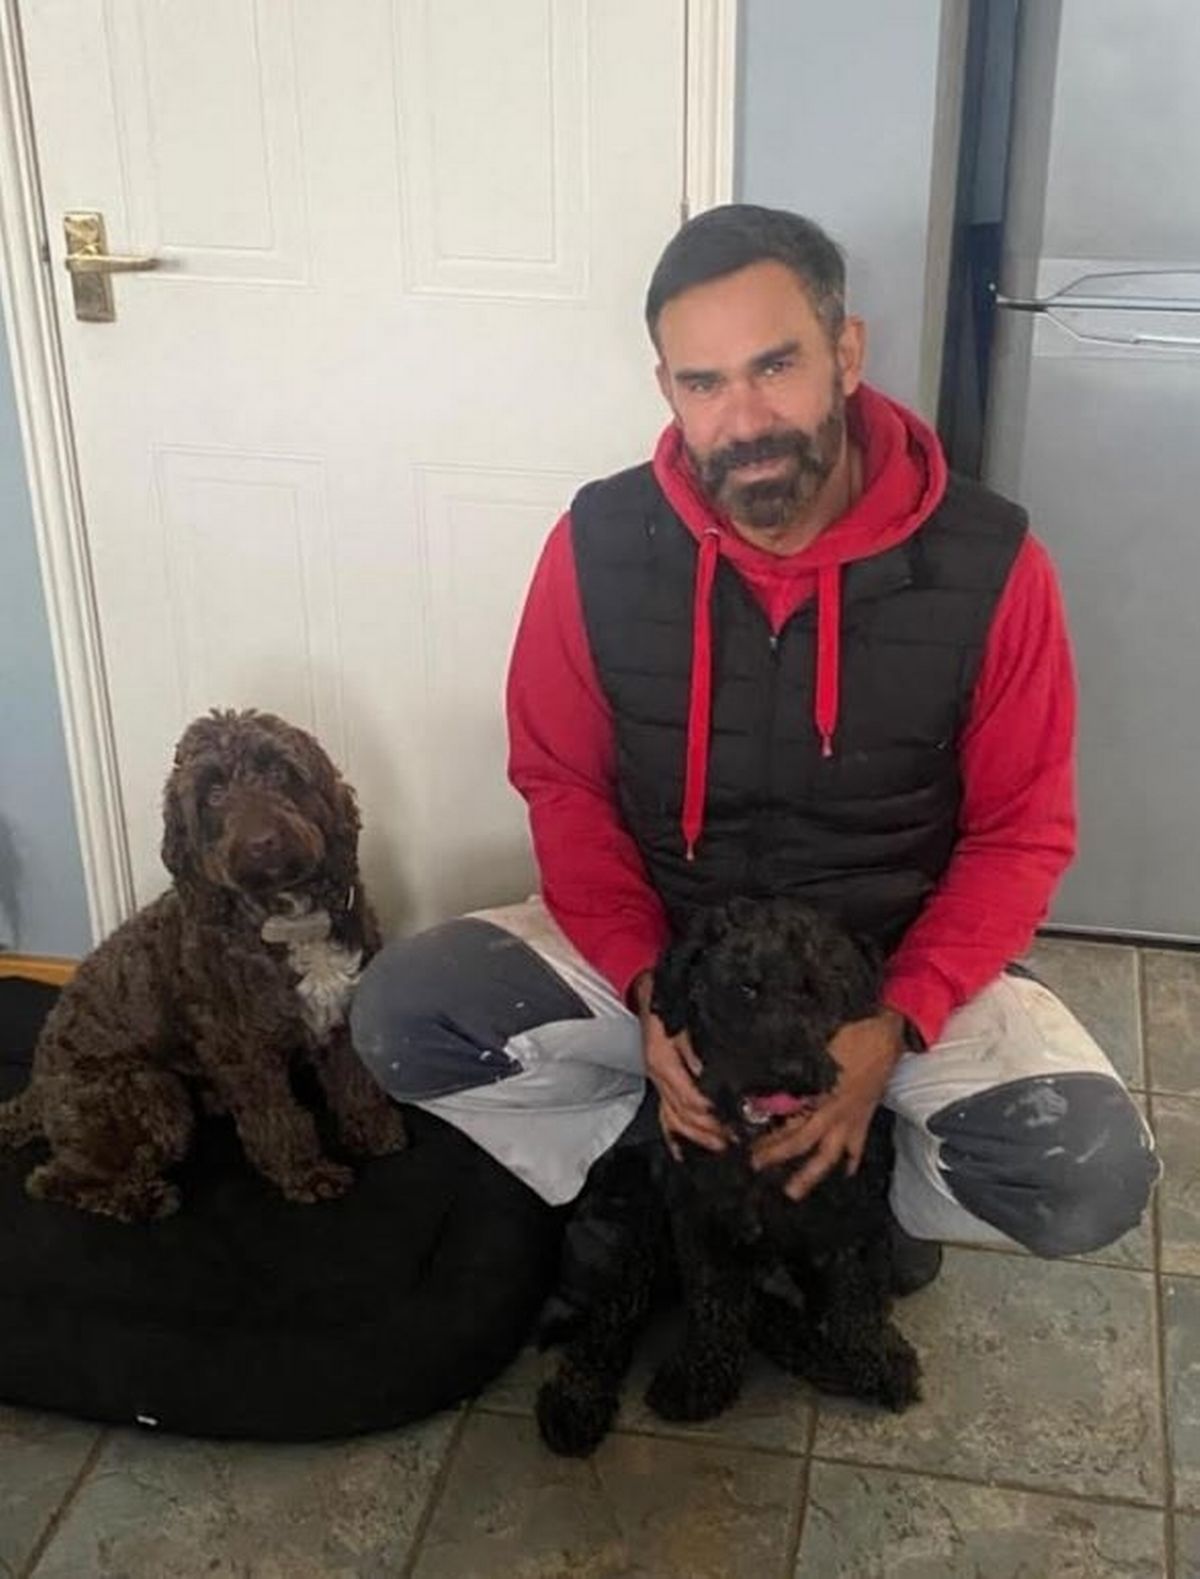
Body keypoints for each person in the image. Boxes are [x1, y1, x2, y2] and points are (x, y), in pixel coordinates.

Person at [350, 204, 1158, 1294]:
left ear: (846, 353)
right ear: (667, 390)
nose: (744, 418)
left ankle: (865, 1189)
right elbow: (565, 784)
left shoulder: (995, 562)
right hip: (668, 950)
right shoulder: (594, 544)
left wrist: (900, 1018)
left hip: (891, 964)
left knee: (1090, 1178)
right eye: (703, 382)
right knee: (403, 1018)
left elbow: (1023, 831)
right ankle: (652, 1152)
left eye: (775, 366)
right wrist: (646, 991)